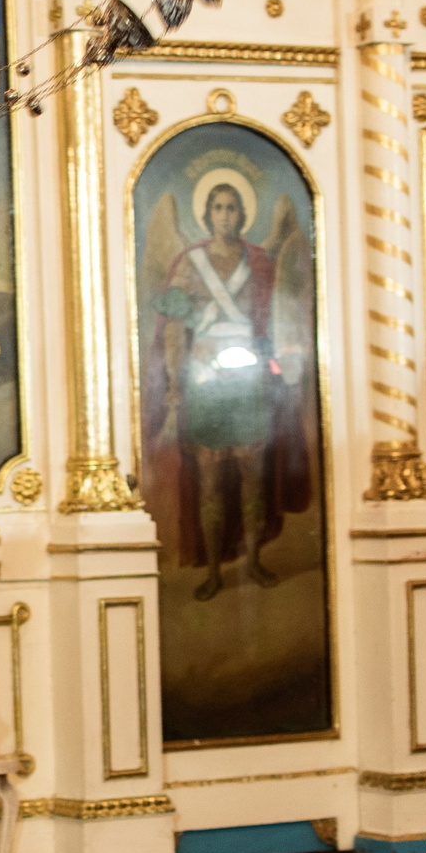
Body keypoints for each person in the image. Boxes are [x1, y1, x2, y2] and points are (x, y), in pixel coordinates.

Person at [144, 180, 312, 601]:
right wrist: (174, 385)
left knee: (253, 481)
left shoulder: (257, 261)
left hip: (248, 384)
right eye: (218, 208)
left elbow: (279, 318)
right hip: (205, 383)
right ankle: (216, 570)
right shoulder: (189, 263)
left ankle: (253, 562)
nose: (225, 215)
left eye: (232, 208)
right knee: (211, 483)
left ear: (242, 215)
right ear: (207, 215)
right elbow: (174, 330)